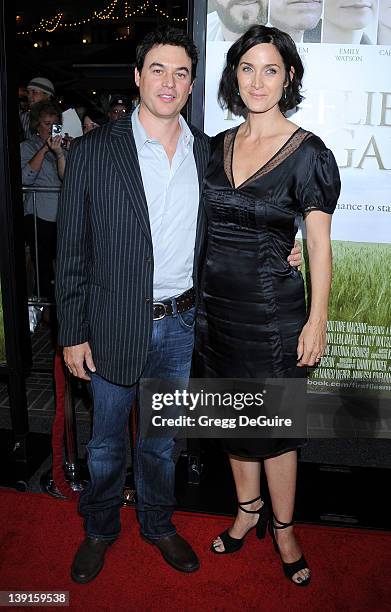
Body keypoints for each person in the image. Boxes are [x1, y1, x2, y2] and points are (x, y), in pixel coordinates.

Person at [56, 26, 302, 584]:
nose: (169, 82)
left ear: (192, 85)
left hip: (182, 324)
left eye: (181, 73)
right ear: (138, 76)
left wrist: (282, 249)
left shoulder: (209, 153)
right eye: (158, 70)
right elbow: (71, 250)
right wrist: (73, 331)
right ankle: (98, 529)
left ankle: (158, 523)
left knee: (163, 444)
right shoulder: (95, 151)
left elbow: (243, 216)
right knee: (103, 444)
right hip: (112, 322)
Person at [194, 25, 340, 586]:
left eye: (271, 68)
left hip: (273, 317)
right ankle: (245, 512)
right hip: (214, 314)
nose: (258, 80)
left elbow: (320, 243)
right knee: (233, 421)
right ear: (234, 75)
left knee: (276, 429)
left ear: (289, 76)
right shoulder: (216, 145)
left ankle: (283, 527)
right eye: (248, 68)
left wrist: (317, 318)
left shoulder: (309, 154)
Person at [21, 99, 66, 302]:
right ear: (37, 125)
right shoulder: (27, 147)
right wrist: (45, 149)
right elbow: (25, 178)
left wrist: (62, 152)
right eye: (47, 124)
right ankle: (43, 311)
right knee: (42, 267)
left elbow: (68, 178)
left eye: (55, 124)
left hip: (63, 216)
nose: (51, 129)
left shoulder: (65, 147)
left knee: (64, 265)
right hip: (39, 215)